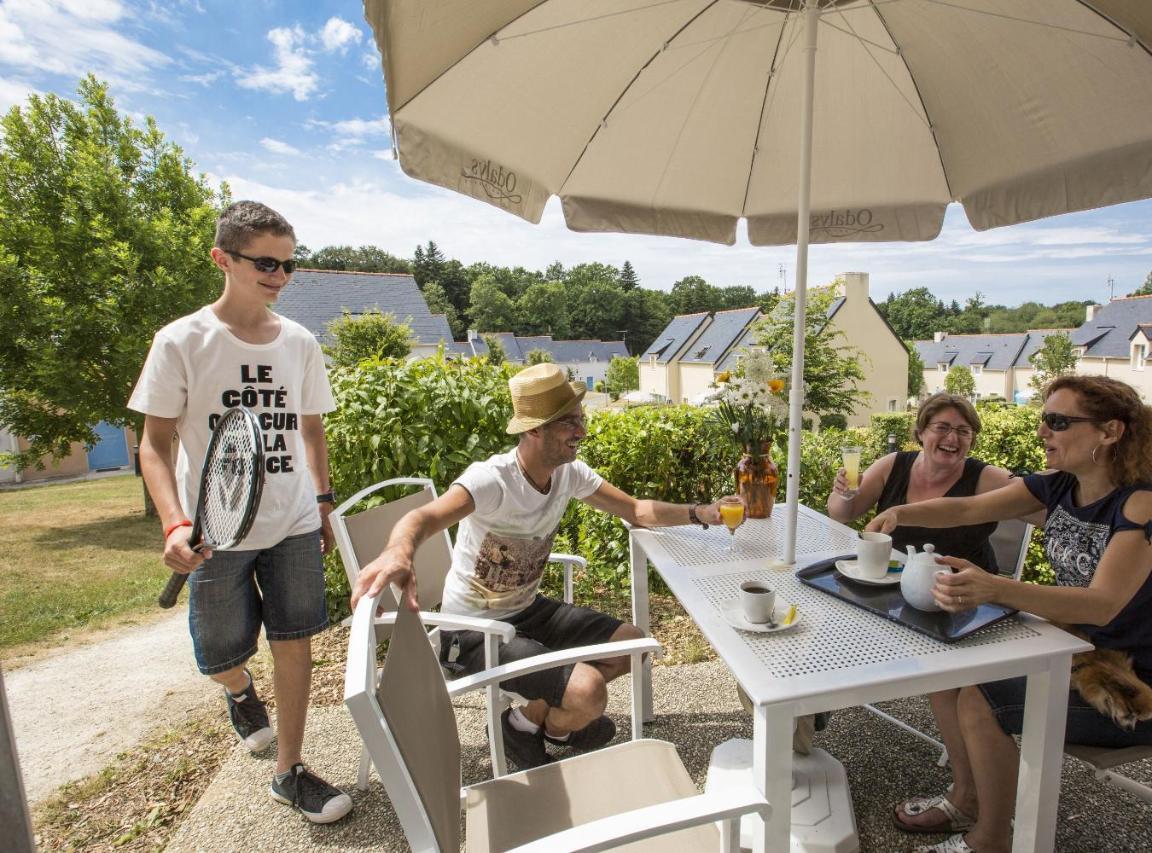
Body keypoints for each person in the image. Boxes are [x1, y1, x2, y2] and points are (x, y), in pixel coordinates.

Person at [866, 375, 1152, 853]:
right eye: (1044, 419)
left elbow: (1102, 604)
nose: (1043, 431)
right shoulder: (1061, 485)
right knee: (948, 673)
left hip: (1135, 690)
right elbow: (967, 510)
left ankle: (989, 841)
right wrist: (899, 513)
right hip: (1066, 656)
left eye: (1058, 422)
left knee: (983, 700)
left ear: (1109, 433)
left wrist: (994, 587)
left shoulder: (1144, 505)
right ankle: (967, 799)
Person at [351, 362, 726, 770]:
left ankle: (531, 725)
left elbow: (636, 509)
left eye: (580, 420)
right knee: (589, 693)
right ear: (534, 429)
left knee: (631, 647)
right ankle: (545, 722)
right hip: (473, 631)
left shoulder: (569, 474)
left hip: (527, 611)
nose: (580, 432)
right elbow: (422, 519)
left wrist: (700, 512)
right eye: (568, 424)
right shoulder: (491, 480)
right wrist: (398, 551)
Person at [129, 201, 352, 824]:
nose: (279, 276)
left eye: (288, 264)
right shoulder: (181, 341)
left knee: (295, 641)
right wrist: (175, 521)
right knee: (222, 654)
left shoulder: (301, 343)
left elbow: (310, 430)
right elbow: (156, 443)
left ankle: (290, 770)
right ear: (221, 258)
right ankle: (238, 691)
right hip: (215, 531)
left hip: (294, 524)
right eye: (265, 263)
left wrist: (323, 501)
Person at [827, 393, 1018, 573]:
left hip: (966, 595)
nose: (952, 438)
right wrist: (845, 494)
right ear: (920, 432)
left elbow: (1037, 496)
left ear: (972, 439)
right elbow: (842, 514)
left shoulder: (986, 476)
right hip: (894, 582)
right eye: (942, 427)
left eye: (963, 431)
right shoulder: (893, 465)